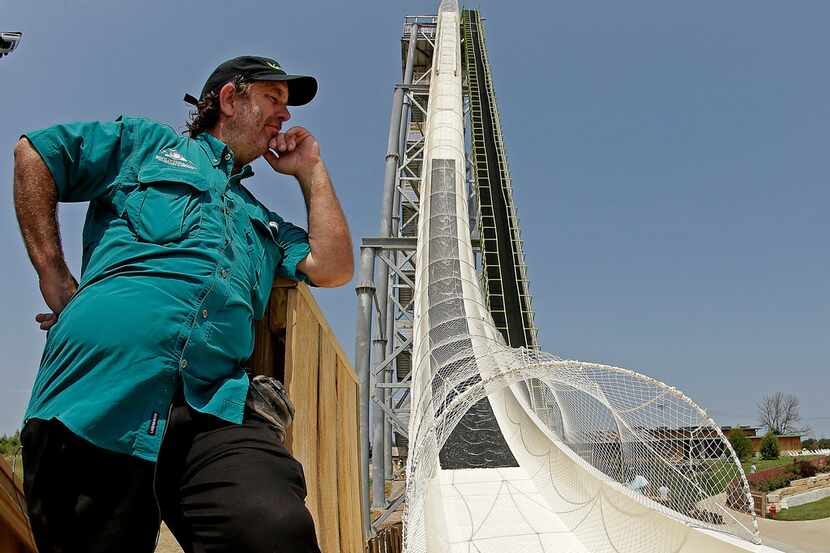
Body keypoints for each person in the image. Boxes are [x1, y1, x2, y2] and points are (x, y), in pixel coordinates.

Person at [13, 55, 353, 553]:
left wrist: (312, 171)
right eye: (272, 99)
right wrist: (53, 274)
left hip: (211, 407)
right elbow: (37, 153)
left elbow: (334, 266)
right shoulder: (148, 147)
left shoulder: (266, 223)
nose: (285, 116)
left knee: (273, 529)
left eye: (286, 105)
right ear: (230, 98)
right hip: (95, 396)